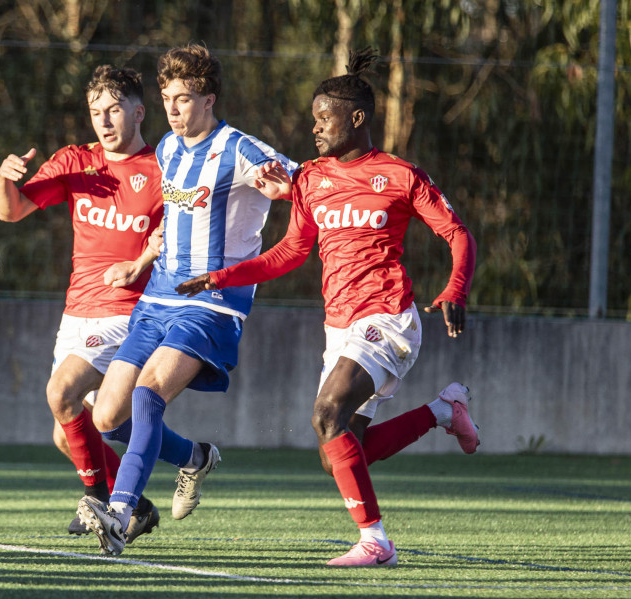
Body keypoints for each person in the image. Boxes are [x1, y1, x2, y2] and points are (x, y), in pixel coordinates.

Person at [176, 48, 479, 567]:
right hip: (338, 328)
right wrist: (222, 277)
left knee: (325, 414)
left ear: (356, 119)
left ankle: (376, 542)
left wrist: (454, 289)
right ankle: (442, 411)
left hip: (388, 318)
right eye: (312, 119)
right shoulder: (311, 179)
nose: (314, 128)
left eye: (324, 118)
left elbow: (457, 233)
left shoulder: (400, 175)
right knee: (337, 449)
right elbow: (290, 251)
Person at [75, 43, 297, 557]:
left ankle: (121, 510)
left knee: (148, 394)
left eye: (184, 99)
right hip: (157, 298)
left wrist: (283, 189)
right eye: (168, 98)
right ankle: (193, 457)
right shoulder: (169, 150)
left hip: (212, 305)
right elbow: (173, 222)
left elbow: (301, 181)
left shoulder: (240, 149)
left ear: (209, 99)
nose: (173, 109)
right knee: (107, 416)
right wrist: (138, 264)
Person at [0, 65, 165, 544]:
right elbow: (11, 211)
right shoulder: (75, 161)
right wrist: (5, 178)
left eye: (114, 110)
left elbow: (183, 230)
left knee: (60, 393)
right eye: (96, 112)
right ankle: (141, 506)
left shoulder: (162, 168)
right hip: (76, 312)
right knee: (64, 433)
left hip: (124, 311)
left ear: (138, 112)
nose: (104, 121)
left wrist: (145, 258)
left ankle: (102, 507)